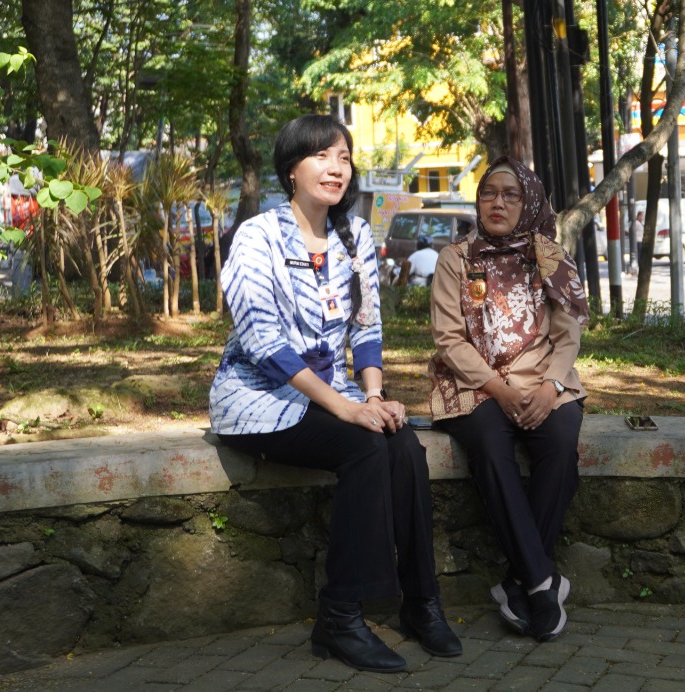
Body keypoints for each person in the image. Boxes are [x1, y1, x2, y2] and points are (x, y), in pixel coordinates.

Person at [208, 115, 459, 673]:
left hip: (334, 391)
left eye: (343, 157)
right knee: (364, 447)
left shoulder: (355, 235)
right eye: (320, 155)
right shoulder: (256, 236)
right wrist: (344, 408)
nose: (335, 167)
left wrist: (372, 397)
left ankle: (422, 602)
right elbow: (262, 339)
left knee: (402, 445)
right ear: (291, 170)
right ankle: (340, 618)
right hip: (258, 399)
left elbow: (367, 327)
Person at [428, 157, 589, 642]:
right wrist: (497, 388)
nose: (497, 203)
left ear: (529, 201)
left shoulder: (549, 257)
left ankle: (517, 583)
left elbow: (568, 336)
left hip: (544, 382)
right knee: (491, 450)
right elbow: (448, 339)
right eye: (488, 193)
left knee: (560, 447)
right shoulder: (455, 258)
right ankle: (541, 583)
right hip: (474, 384)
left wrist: (551, 387)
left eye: (510, 194)